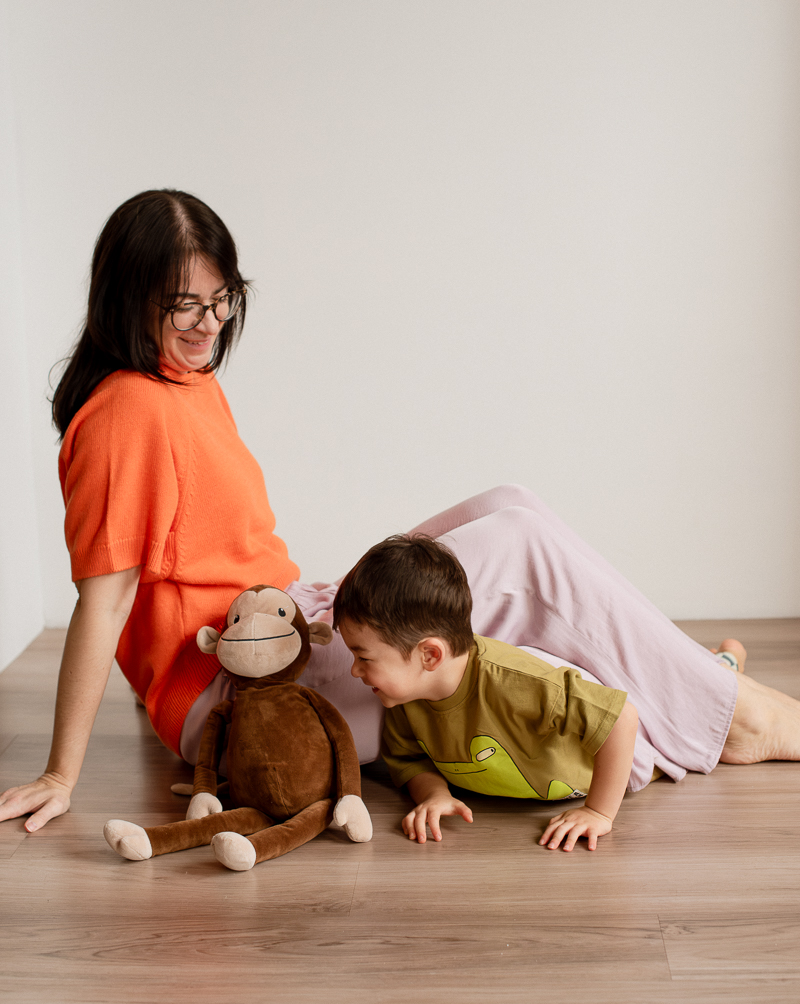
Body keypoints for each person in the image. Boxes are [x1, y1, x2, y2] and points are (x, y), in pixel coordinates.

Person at [1, 190, 797, 835]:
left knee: (506, 504)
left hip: (285, 619)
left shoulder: (179, 377)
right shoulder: (128, 415)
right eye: (184, 305)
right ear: (128, 301)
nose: (209, 325)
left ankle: (680, 682)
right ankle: (734, 717)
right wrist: (63, 773)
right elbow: (105, 600)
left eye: (223, 300)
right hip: (254, 681)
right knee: (521, 547)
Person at [331, 534, 800, 851]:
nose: (354, 670)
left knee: (686, 714)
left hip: (635, 752)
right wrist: (432, 794)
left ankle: (723, 662)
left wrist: (598, 811)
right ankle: (722, 658)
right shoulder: (401, 698)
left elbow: (623, 720)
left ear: (430, 655)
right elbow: (410, 760)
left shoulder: (515, 684)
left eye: (364, 656)